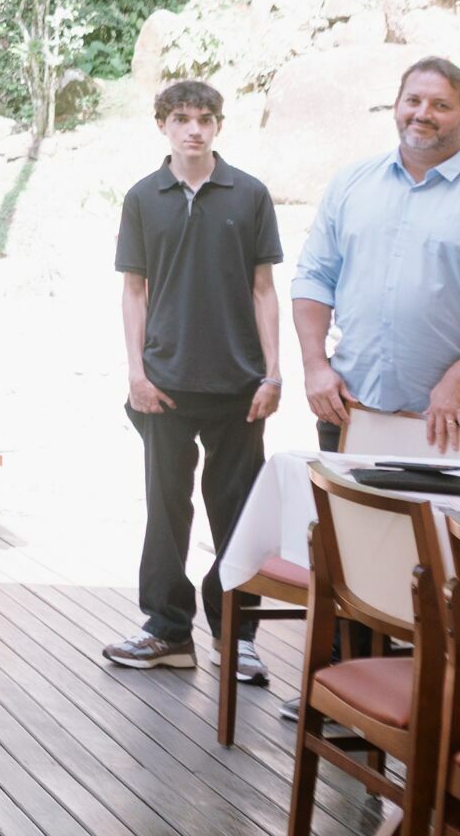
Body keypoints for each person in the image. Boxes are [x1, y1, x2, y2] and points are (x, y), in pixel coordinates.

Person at [100, 81, 283, 683]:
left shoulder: (250, 194)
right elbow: (134, 291)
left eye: (205, 119)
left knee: (236, 514)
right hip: (165, 385)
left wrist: (274, 373)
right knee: (165, 510)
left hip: (238, 387)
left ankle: (238, 638)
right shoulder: (142, 198)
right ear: (163, 125)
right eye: (181, 119)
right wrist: (135, 373)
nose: (194, 130)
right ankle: (167, 631)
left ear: (218, 126)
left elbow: (263, 289)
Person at [293, 56, 460, 456]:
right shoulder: (351, 182)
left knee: (445, 522)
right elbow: (314, 277)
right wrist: (315, 366)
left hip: (455, 418)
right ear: (397, 106)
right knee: (349, 519)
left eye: (441, 105)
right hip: (351, 407)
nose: (423, 113)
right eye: (413, 100)